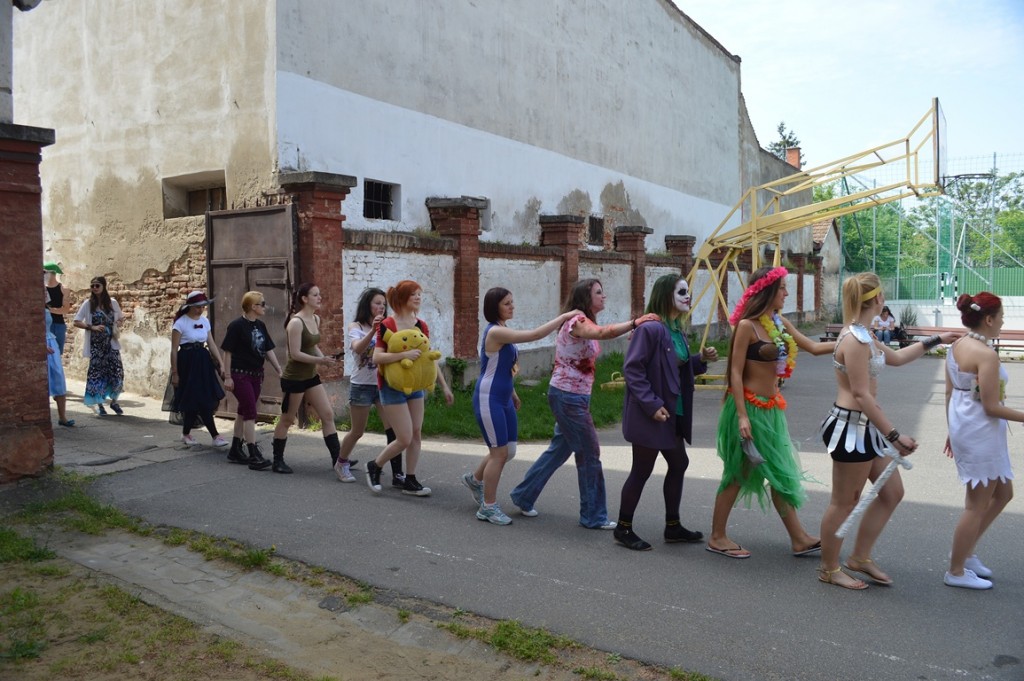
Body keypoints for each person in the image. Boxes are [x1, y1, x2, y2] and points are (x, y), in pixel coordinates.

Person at [816, 273, 958, 589]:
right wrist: (895, 436)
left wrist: (937, 339)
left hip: (865, 428)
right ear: (878, 299)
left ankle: (859, 557)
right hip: (851, 429)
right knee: (844, 502)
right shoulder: (854, 340)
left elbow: (897, 357)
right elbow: (861, 394)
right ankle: (829, 568)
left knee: (892, 493)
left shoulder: (864, 334)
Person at [508, 278, 659, 529]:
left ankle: (524, 495)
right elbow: (602, 333)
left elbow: (600, 334)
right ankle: (593, 515)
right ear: (585, 298)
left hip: (571, 396)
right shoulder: (576, 321)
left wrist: (632, 331)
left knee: (559, 449)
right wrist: (635, 322)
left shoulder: (585, 321)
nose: (603, 296)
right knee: (590, 454)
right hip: (568, 397)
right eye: (598, 292)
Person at [707, 266, 832, 559]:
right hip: (748, 409)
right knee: (738, 472)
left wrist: (852, 341)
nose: (786, 293)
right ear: (767, 291)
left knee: (780, 471)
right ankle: (717, 536)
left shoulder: (779, 323)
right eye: (782, 288)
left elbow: (813, 347)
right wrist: (742, 416)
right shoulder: (747, 326)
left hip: (771, 409)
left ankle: (799, 538)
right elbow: (735, 373)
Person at [614, 274, 717, 550]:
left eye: (688, 291)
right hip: (652, 414)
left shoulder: (676, 329)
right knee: (641, 470)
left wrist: (700, 360)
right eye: (681, 292)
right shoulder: (650, 329)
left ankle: (673, 526)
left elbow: (676, 366)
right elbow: (632, 369)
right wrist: (651, 405)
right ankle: (623, 528)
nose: (687, 296)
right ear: (664, 295)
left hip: (672, 413)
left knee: (679, 463)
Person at [462, 287, 581, 525]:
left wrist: (513, 393)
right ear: (494, 307)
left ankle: (475, 480)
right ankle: (488, 507)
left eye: (512, 302)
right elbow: (534, 335)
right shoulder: (495, 331)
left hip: (503, 397)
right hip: (488, 398)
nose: (512, 306)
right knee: (499, 453)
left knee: (508, 450)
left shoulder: (503, 329)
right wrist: (565, 316)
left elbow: (502, 367)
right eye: (506, 303)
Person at [943, 292, 1021, 590]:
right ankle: (956, 570)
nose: (1003, 322)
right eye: (1001, 317)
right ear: (988, 319)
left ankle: (965, 553)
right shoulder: (985, 354)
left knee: (1003, 494)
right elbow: (991, 406)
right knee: (976, 505)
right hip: (979, 431)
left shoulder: (958, 345)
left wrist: (952, 429)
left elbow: (950, 392)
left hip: (968, 427)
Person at [365, 280, 454, 496]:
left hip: (416, 386)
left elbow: (428, 358)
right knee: (404, 437)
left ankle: (410, 480)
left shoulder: (421, 325)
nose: (418, 298)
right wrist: (403, 355)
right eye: (414, 294)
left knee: (416, 434)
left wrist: (444, 386)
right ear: (403, 298)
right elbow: (377, 357)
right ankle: (375, 466)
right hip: (391, 386)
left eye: (419, 294)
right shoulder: (387, 324)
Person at [271, 283, 345, 474]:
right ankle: (277, 460)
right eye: (315, 295)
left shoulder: (316, 318)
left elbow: (312, 346)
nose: (320, 298)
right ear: (304, 299)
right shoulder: (296, 323)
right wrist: (320, 360)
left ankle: (338, 460)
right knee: (287, 419)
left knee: (327, 415)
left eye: (319, 294)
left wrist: (324, 359)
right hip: (295, 378)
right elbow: (295, 354)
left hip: (310, 376)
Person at [337, 288, 396, 484]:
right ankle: (341, 462)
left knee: (393, 430)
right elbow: (357, 348)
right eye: (377, 303)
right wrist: (372, 331)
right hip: (361, 385)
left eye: (384, 304)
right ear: (367, 305)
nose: (381, 307)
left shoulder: (388, 326)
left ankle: (393, 472)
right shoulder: (355, 326)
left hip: (382, 384)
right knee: (357, 431)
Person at [220, 290, 283, 469]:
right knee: (250, 412)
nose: (265, 307)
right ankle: (253, 453)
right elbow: (227, 352)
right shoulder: (236, 326)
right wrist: (227, 376)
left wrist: (279, 369)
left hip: (256, 374)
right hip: (240, 374)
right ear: (253, 306)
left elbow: (268, 349)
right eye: (262, 304)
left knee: (243, 410)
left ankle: (235, 449)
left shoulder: (260, 325)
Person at [170, 291, 229, 448]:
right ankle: (213, 435)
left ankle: (187, 433)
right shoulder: (180, 323)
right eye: (197, 307)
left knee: (203, 398)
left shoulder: (205, 321)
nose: (200, 309)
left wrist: (221, 363)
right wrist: (175, 373)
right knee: (194, 399)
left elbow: (211, 343)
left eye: (203, 306)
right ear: (189, 306)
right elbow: (174, 350)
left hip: (203, 362)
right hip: (187, 363)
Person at [72, 276, 125, 416]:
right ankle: (99, 404)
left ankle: (114, 401)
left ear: (103, 286)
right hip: (96, 347)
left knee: (117, 374)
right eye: (92, 286)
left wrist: (117, 324)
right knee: (97, 376)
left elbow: (121, 318)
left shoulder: (112, 303)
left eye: (97, 285)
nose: (94, 288)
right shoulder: (88, 304)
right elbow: (76, 321)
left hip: (111, 345)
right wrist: (92, 327)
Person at [45, 293, 74, 427]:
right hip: (41, 343)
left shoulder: (47, 307)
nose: (45, 293)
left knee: (58, 377)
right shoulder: (30, 308)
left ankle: (63, 417)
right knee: (44, 380)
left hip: (51, 342)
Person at [44, 262, 73, 355]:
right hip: (44, 325)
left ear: (51, 273)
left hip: (58, 325)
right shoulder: (42, 289)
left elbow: (65, 310)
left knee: (57, 353)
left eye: (44, 272)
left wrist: (48, 310)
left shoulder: (63, 289)